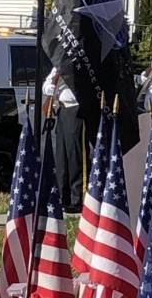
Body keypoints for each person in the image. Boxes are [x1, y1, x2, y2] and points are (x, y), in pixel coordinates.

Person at [42, 67, 86, 213]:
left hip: (76, 109)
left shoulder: (76, 65)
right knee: (61, 157)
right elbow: (46, 87)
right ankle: (62, 197)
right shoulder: (58, 67)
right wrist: (55, 81)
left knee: (74, 155)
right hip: (62, 110)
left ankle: (76, 199)